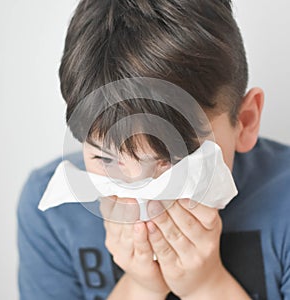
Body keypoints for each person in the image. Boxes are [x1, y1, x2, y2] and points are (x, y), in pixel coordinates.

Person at [17, 0, 290, 299]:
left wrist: (206, 286)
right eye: (106, 158)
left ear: (246, 121)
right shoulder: (51, 213)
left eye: (173, 159)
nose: (143, 196)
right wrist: (139, 287)